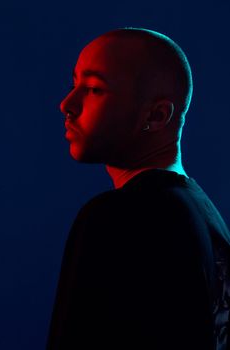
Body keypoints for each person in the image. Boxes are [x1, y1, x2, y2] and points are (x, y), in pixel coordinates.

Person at [46, 27, 230, 350]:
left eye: (93, 89)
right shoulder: (208, 218)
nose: (67, 104)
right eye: (75, 83)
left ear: (157, 115)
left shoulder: (115, 218)